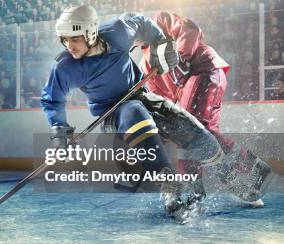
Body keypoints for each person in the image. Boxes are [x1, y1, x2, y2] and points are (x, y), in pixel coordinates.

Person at [41, 5, 223, 224]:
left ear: (90, 33)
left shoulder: (117, 31)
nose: (69, 46)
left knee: (194, 131)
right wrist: (60, 131)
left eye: (75, 39)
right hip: (113, 112)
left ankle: (231, 173)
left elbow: (142, 23)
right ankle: (169, 186)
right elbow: (53, 99)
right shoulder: (65, 67)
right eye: (65, 40)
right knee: (133, 111)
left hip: (142, 95)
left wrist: (160, 43)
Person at [139, 12, 273, 207]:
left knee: (190, 133)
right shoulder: (145, 64)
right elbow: (163, 99)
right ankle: (250, 169)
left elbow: (190, 29)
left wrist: (181, 55)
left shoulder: (159, 21)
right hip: (195, 86)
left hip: (206, 71)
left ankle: (201, 190)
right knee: (203, 134)